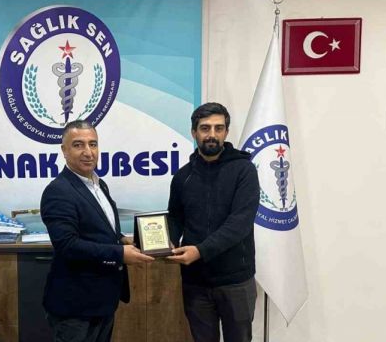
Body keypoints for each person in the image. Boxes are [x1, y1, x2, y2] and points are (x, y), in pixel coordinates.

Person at [41, 120, 154, 342]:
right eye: (78, 145)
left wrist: (122, 239)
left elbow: (99, 228)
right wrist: (120, 253)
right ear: (64, 150)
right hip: (75, 306)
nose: (88, 152)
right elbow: (68, 245)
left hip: (103, 299)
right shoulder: (58, 191)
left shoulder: (99, 185)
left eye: (93, 144)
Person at [167, 102, 260, 342]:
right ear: (194, 132)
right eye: (205, 128)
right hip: (196, 282)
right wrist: (163, 243)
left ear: (226, 132)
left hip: (236, 281)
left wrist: (200, 251)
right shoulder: (183, 176)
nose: (212, 134)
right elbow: (175, 218)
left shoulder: (244, 170)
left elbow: (239, 223)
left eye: (219, 128)